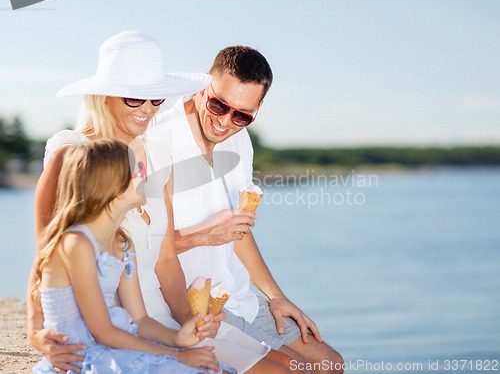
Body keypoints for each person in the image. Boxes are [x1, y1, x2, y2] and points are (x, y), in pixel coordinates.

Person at [29, 31, 294, 374]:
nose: (147, 111)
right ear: (103, 95)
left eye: (155, 100)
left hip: (158, 320)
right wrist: (37, 331)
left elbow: (166, 259)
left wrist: (191, 327)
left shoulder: (155, 154)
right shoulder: (72, 155)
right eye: (133, 99)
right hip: (111, 330)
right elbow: (44, 256)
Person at [148, 46, 344, 374]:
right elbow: (140, 249)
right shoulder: (157, 142)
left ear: (258, 109)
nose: (226, 122)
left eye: (242, 114)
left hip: (237, 298)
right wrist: (203, 236)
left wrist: (276, 295)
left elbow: (238, 230)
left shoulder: (240, 140)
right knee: (294, 371)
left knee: (330, 364)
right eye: (218, 105)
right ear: (202, 87)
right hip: (181, 307)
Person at [32, 140, 231, 373]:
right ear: (111, 185)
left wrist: (178, 339)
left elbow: (141, 320)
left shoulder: (122, 243)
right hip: (82, 357)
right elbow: (102, 332)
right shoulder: (76, 244)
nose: (146, 174)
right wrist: (177, 358)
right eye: (138, 170)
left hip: (114, 345)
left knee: (216, 369)